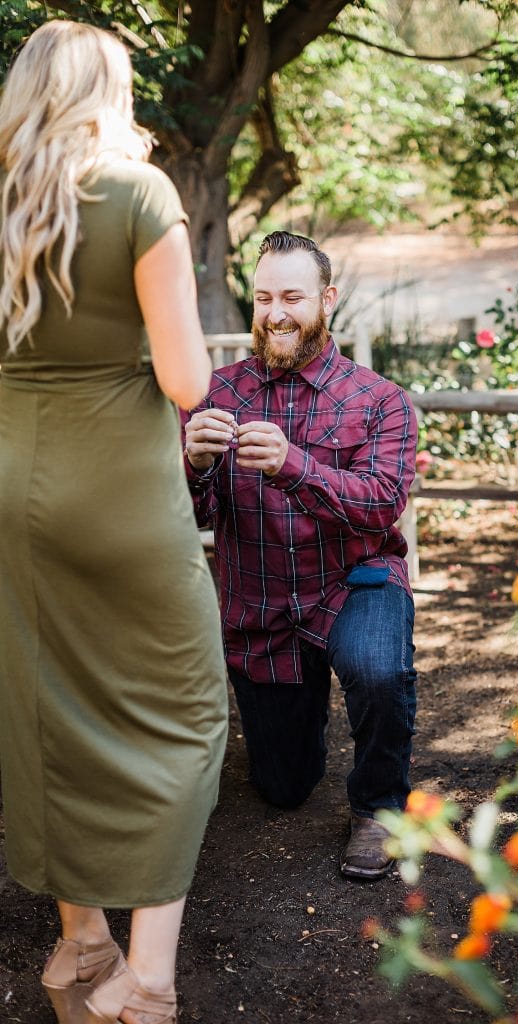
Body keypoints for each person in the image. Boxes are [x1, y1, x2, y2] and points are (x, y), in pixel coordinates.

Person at [0, 21, 228, 1024]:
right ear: (109, 91)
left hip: (13, 482)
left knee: (45, 701)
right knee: (181, 708)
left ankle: (79, 937)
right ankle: (148, 978)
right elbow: (186, 379)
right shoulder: (137, 193)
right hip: (119, 491)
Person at [183, 230, 418, 881]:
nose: (275, 312)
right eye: (262, 298)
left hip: (352, 583)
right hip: (259, 604)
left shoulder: (380, 400)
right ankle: (297, 730)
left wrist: (293, 465)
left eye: (291, 296)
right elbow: (189, 521)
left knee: (375, 668)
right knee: (283, 786)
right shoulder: (211, 396)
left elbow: (378, 506)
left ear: (326, 300)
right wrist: (193, 464)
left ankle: (379, 807)